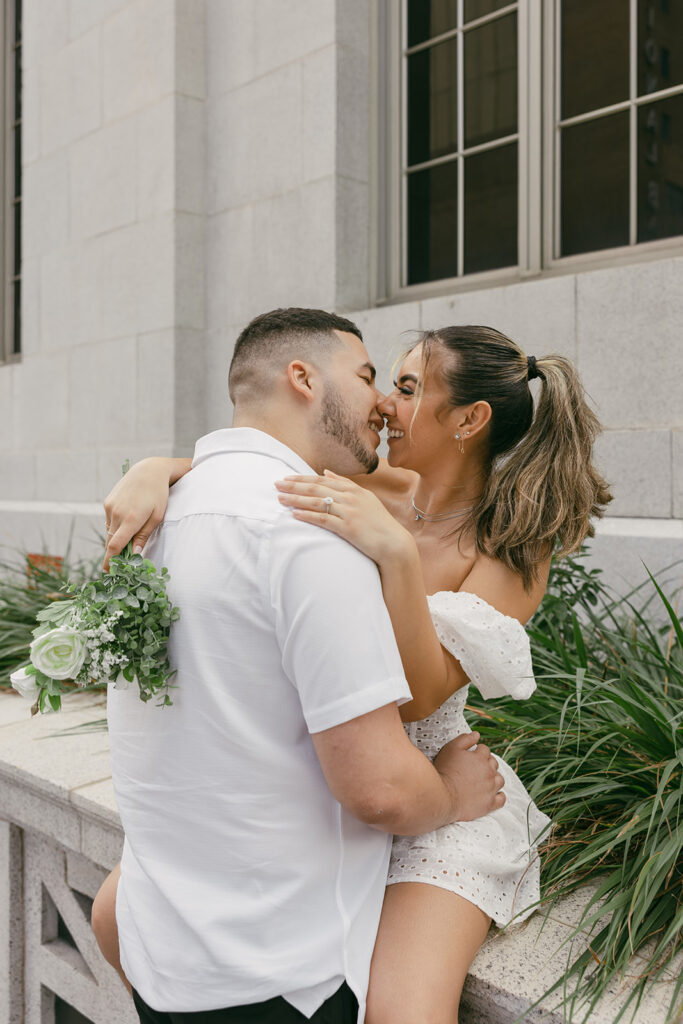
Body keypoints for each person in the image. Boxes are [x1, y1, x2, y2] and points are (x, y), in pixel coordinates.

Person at [98, 318, 611, 1023]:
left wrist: (395, 558)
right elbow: (260, 463)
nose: (383, 405)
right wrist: (153, 470)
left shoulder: (511, 545)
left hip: (445, 793)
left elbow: (419, 694)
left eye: (404, 387)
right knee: (113, 913)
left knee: (400, 1012)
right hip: (337, 777)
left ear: (468, 419)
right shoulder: (377, 486)